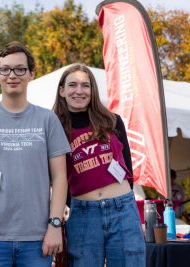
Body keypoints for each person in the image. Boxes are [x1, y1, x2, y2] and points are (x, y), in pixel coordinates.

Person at [0, 41, 71, 266]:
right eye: (5, 69)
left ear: (31, 74)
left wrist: (54, 226)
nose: (13, 75)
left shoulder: (47, 120)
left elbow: (59, 177)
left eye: (20, 69)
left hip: (38, 239)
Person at [52, 63, 145, 267]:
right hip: (83, 214)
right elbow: (54, 177)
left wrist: (126, 206)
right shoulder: (53, 128)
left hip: (123, 209)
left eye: (86, 85)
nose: (79, 91)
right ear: (62, 90)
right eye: (73, 85)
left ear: (92, 91)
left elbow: (127, 169)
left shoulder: (112, 121)